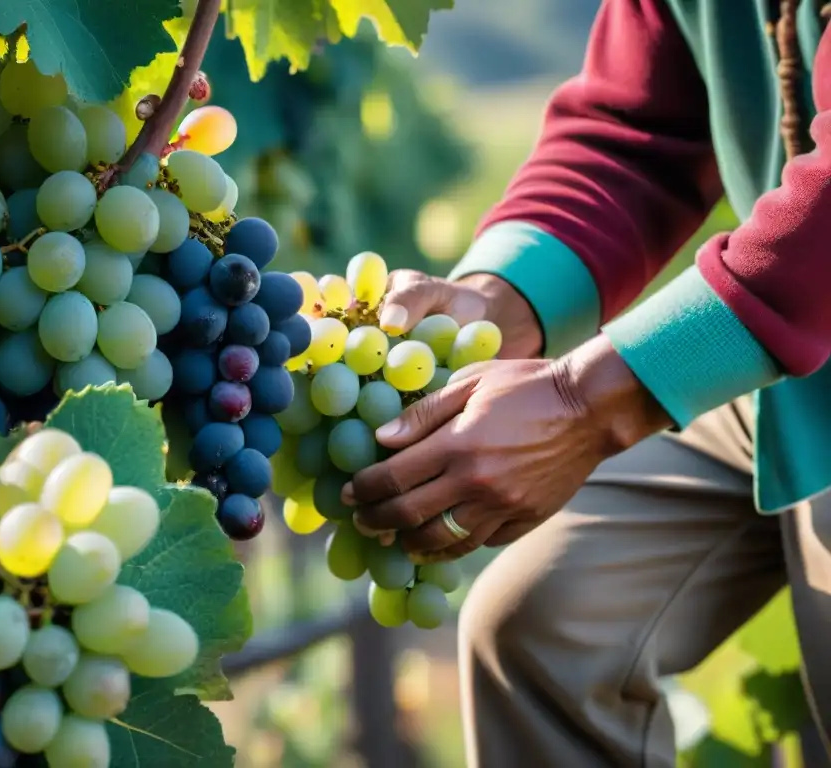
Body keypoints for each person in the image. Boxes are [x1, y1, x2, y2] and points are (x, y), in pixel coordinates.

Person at [343, 1, 831, 765]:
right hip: (793, 378)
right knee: (540, 623)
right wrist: (499, 299)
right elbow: (636, 136)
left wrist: (586, 401)